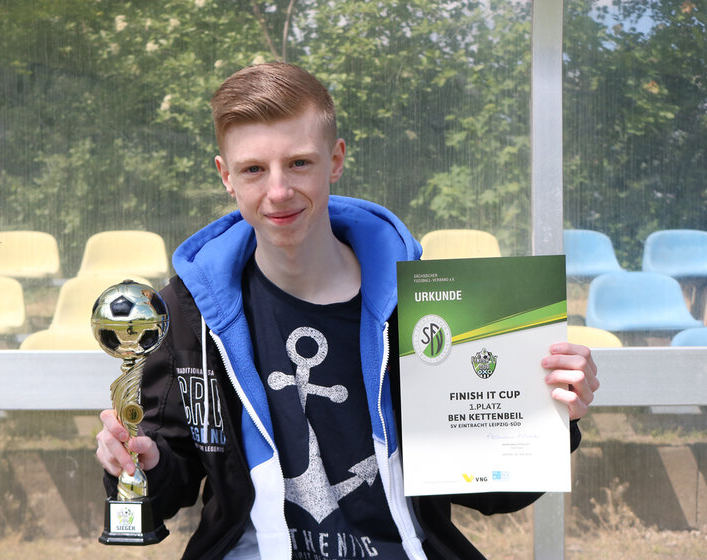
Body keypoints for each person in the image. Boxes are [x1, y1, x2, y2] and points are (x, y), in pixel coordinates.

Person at [96, 62, 599, 560]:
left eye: (299, 163)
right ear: (226, 176)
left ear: (335, 160)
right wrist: (142, 463)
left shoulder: (428, 306)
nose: (278, 191)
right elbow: (170, 478)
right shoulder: (187, 312)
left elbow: (497, 493)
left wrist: (551, 413)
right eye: (253, 169)